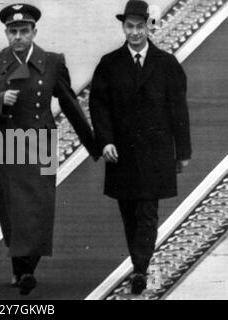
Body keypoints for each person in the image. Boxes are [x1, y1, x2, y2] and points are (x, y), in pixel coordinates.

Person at [0, 3, 99, 295]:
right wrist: (0, 98)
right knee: (13, 210)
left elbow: (69, 103)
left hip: (40, 141)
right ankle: (22, 269)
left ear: (34, 32)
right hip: (7, 142)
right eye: (13, 31)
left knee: (40, 208)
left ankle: (27, 268)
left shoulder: (52, 62)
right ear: (6, 33)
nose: (18, 37)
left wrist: (93, 144)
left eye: (24, 31)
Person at [89, 0, 191, 295]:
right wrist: (105, 140)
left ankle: (140, 269)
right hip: (121, 153)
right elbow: (99, 107)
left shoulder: (166, 64)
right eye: (129, 26)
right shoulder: (109, 64)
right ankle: (139, 261)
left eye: (140, 26)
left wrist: (182, 152)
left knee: (147, 211)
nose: (134, 32)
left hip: (156, 153)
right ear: (123, 27)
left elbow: (178, 110)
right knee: (130, 213)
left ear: (149, 27)